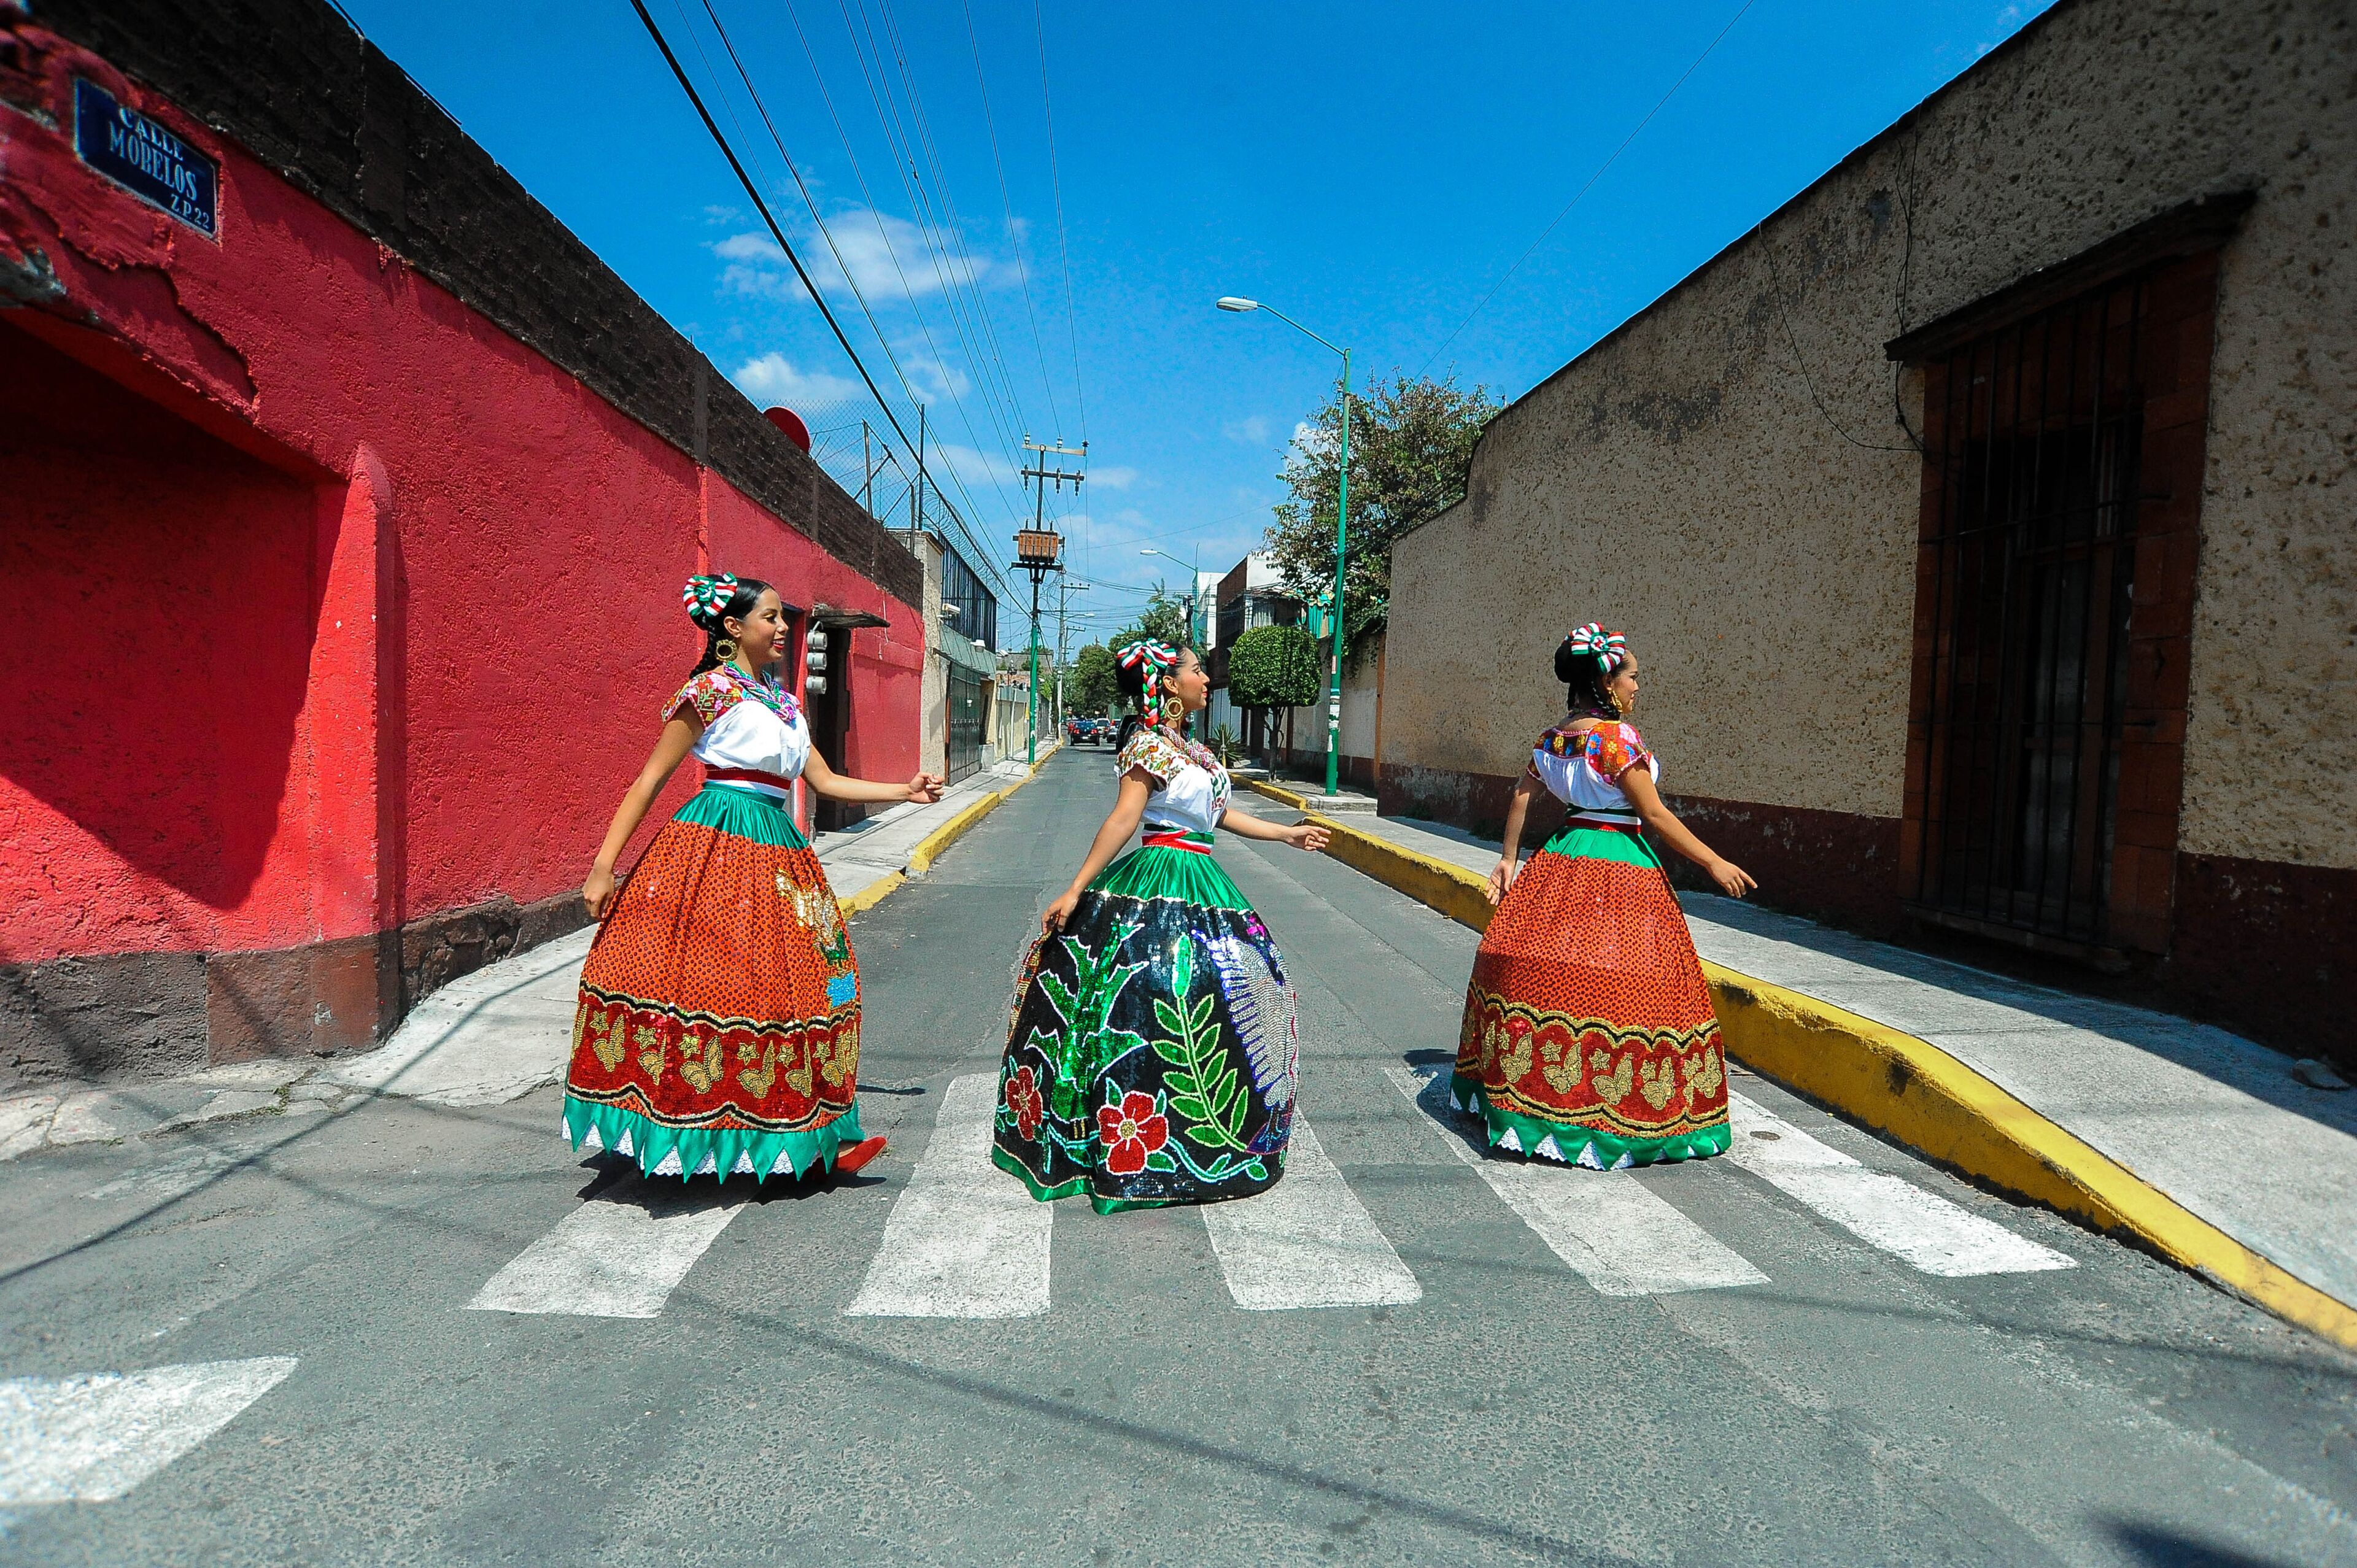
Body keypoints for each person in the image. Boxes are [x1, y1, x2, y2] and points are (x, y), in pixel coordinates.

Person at [562, 573, 943, 1181]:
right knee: (715, 988)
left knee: (818, 984)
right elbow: (650, 780)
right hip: (715, 844)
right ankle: (697, 1125)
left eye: (783, 617)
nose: (783, 627)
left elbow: (824, 781)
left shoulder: (784, 703)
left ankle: (815, 1129)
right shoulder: (710, 691)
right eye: (771, 617)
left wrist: (906, 790)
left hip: (782, 852)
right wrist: (604, 866)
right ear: (733, 627)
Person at [993, 639, 1330, 1212]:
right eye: (1198, 670)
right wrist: (1076, 888)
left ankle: (1208, 1138)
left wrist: (1286, 834)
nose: (1207, 678)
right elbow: (1125, 818)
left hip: (1205, 877)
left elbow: (1220, 815)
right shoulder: (1148, 745)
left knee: (1229, 994)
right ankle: (1130, 1135)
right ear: (1170, 683)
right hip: (1157, 874)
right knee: (1143, 999)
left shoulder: (1196, 751)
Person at [1453, 623, 1757, 1168]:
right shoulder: (1616, 739)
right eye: (1632, 676)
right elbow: (1653, 813)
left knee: (1558, 974)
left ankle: (1532, 1101)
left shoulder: (1554, 739)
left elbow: (1521, 795)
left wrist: (1508, 858)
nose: (1637, 686)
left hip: (1564, 851)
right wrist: (1713, 861)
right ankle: (1612, 1114)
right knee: (1631, 977)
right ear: (1605, 682)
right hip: (1619, 860)